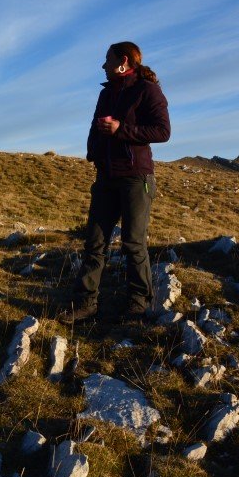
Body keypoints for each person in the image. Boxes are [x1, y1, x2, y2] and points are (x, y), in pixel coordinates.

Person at [61, 42, 170, 324]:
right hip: (106, 177)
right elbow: (94, 125)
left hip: (136, 178)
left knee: (133, 244)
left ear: (123, 61)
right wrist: (93, 151)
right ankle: (85, 304)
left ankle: (137, 305)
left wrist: (122, 129)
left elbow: (162, 131)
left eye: (106, 60)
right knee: (95, 243)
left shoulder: (147, 90)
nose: (103, 66)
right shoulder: (107, 92)